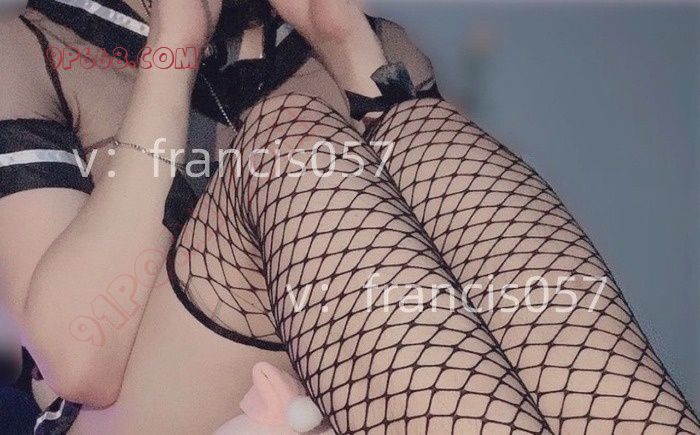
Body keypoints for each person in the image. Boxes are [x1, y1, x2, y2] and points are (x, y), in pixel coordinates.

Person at [0, 0, 697, 434]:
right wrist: (173, 50)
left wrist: (344, 42)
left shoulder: (379, 42)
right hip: (141, 415)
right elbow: (81, 365)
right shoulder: (28, 49)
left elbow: (471, 281)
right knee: (290, 135)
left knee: (415, 130)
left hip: (363, 401)